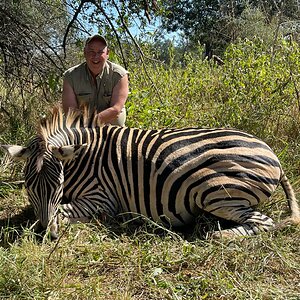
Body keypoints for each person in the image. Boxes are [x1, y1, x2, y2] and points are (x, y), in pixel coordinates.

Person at [62, 34, 129, 126]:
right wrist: (86, 126)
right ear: (85, 52)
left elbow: (116, 109)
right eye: (91, 51)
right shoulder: (70, 76)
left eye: (100, 52)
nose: (95, 56)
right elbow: (70, 110)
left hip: (110, 122)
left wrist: (92, 123)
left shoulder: (119, 75)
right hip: (81, 124)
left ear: (107, 53)